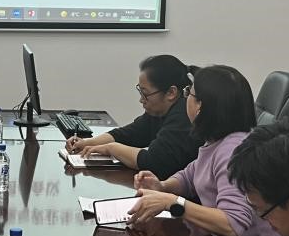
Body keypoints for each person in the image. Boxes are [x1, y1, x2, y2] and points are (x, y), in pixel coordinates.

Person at [125, 65, 280, 236]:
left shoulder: (232, 151)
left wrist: (173, 203)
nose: (185, 98)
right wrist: (163, 186)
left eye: (188, 93)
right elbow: (191, 175)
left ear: (200, 106)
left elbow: (233, 225)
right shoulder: (217, 140)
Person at [64, 54, 198, 177]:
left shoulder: (184, 115)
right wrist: (87, 143)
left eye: (145, 93)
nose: (141, 100)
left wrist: (111, 148)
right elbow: (128, 134)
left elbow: (153, 162)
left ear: (171, 93)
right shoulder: (160, 111)